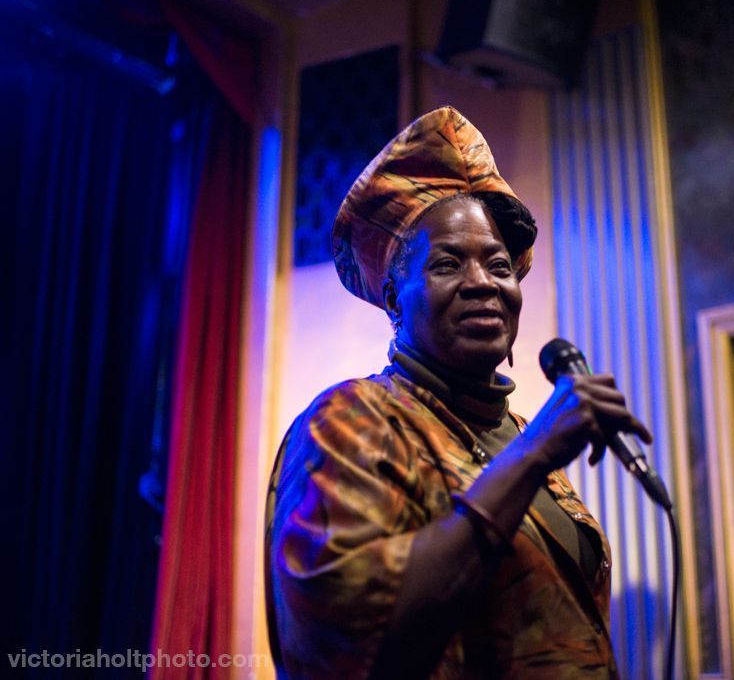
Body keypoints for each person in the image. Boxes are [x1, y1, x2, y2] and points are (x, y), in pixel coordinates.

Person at [265, 106, 651, 679]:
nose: (482, 283)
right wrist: (536, 454)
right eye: (448, 263)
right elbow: (346, 637)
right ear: (396, 298)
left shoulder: (516, 433)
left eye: (499, 265)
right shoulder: (352, 420)